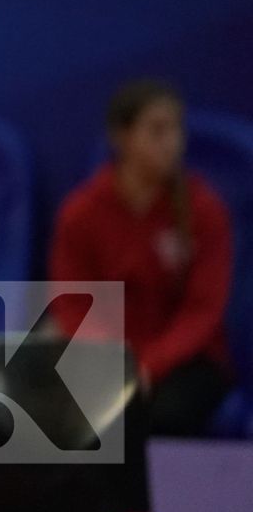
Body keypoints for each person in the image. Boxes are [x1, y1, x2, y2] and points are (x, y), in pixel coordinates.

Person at [51, 80, 236, 438]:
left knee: (163, 415)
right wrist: (111, 364)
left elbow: (203, 310)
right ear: (122, 137)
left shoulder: (204, 210)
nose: (172, 142)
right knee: (50, 413)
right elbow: (72, 305)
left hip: (184, 363)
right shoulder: (82, 212)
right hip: (104, 358)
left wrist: (148, 365)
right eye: (157, 130)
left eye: (176, 129)